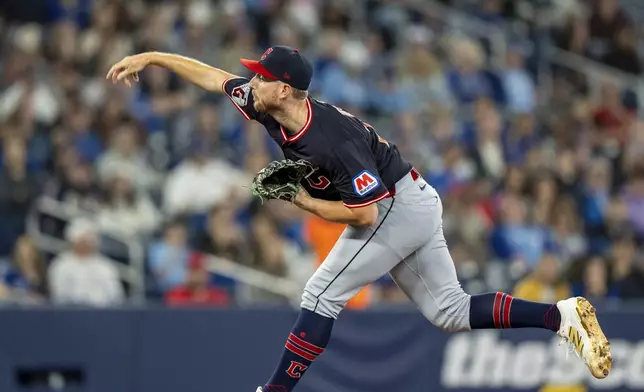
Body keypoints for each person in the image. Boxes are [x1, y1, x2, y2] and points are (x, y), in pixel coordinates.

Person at [107, 46, 612, 391]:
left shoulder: (328, 139)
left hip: (394, 207)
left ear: (284, 89)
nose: (251, 81)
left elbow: (365, 216)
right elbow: (213, 77)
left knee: (320, 295)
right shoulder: (269, 104)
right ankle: (560, 316)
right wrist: (152, 57)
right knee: (450, 313)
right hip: (410, 197)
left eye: (261, 76)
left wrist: (302, 202)